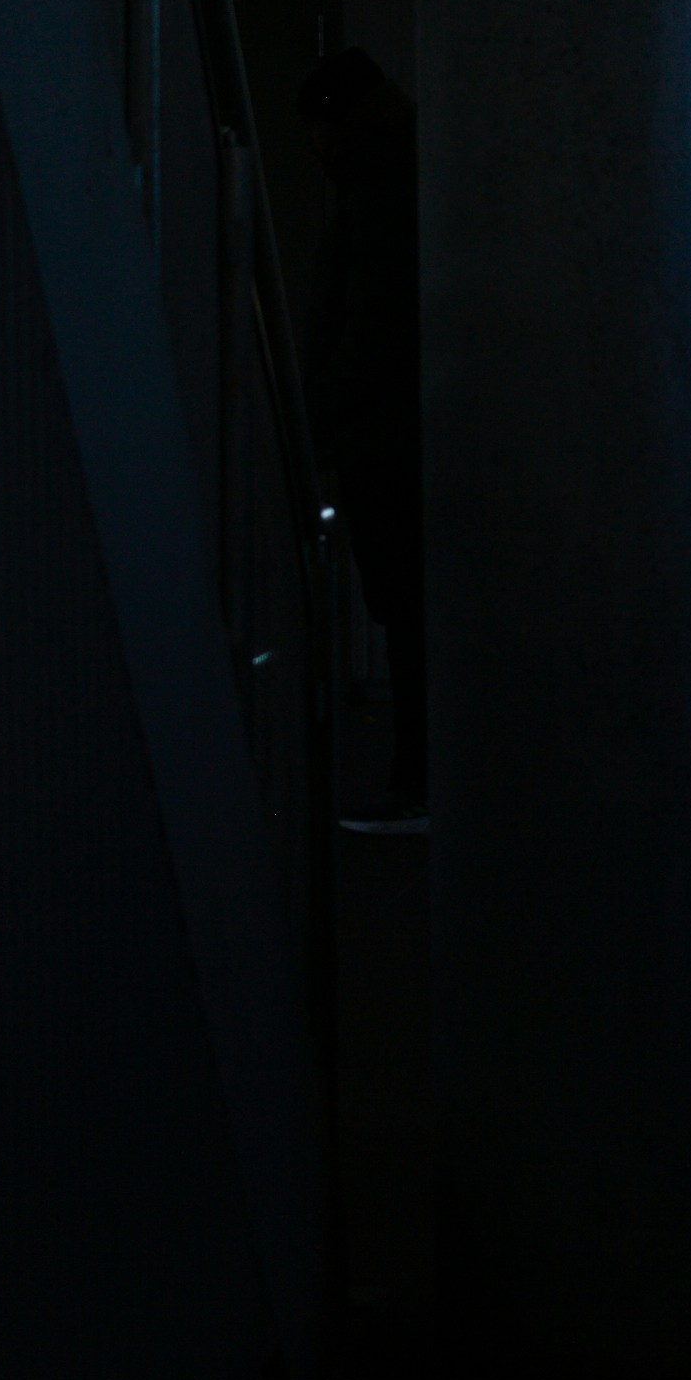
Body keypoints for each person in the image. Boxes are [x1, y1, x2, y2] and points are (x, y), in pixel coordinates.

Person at [296, 48, 426, 819]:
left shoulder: (373, 193)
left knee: (406, 612)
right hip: (402, 435)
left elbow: (370, 327)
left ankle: (418, 780)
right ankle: (421, 775)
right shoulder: (404, 174)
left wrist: (318, 410)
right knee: (419, 615)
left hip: (383, 444)